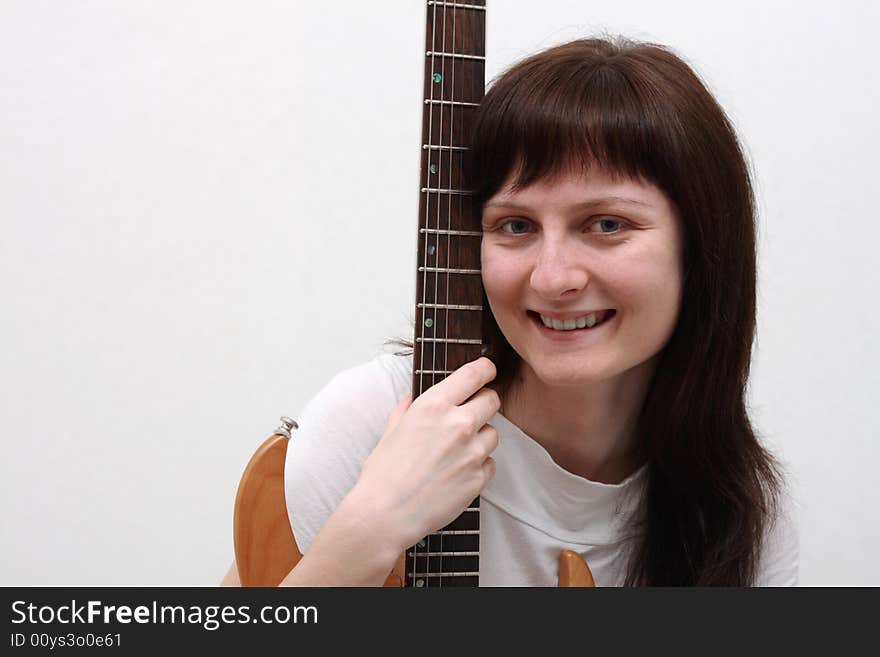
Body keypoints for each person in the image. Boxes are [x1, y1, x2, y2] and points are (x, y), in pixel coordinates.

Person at [221, 36, 798, 586]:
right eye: (515, 226)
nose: (552, 277)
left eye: (606, 225)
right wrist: (369, 529)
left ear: (700, 248)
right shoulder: (379, 424)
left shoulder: (738, 510)